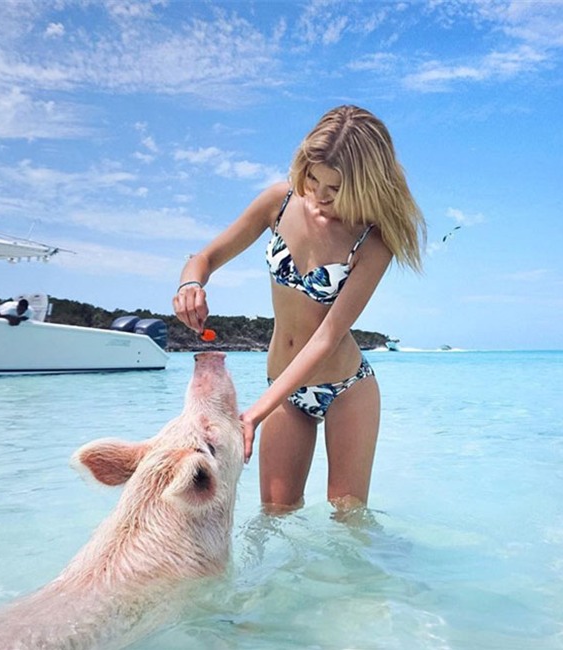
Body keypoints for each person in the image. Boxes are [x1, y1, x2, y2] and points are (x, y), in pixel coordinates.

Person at [173, 105, 426, 513]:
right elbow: (204, 257)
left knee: (349, 522)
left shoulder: (373, 242)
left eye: (335, 188)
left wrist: (255, 413)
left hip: (346, 389)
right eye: (313, 178)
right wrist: (191, 284)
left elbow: (326, 338)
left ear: (364, 184)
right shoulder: (280, 201)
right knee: (275, 514)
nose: (319, 196)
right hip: (284, 390)